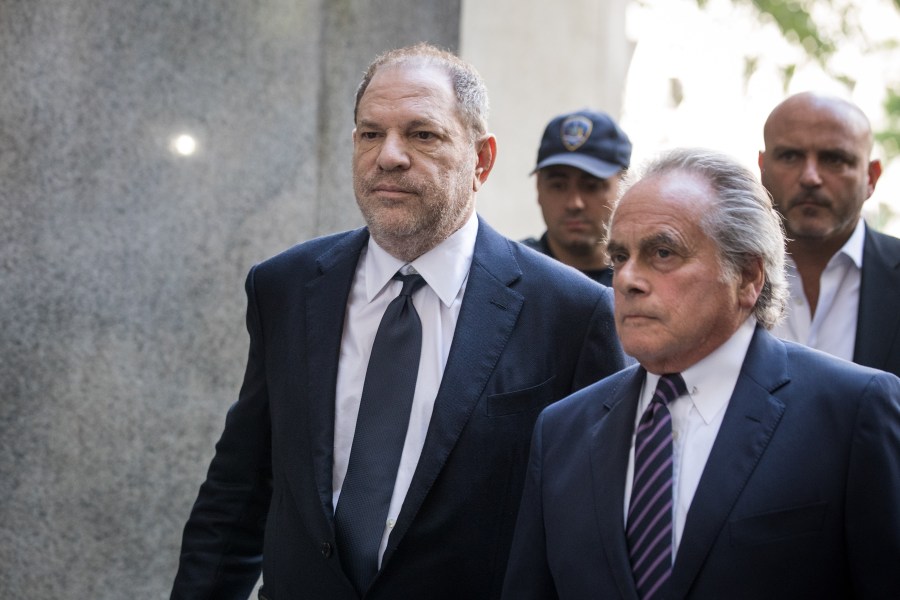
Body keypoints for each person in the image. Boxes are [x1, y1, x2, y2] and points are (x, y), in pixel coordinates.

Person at [170, 43, 626, 600]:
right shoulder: (285, 287)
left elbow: (590, 535)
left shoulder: (572, 314)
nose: (389, 156)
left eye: (422, 134)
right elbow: (239, 491)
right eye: (370, 134)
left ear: (481, 159)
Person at [502, 148, 900, 599]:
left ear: (748, 276)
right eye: (619, 257)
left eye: (663, 252)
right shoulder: (563, 430)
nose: (628, 279)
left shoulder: (852, 411)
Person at [760, 91, 900, 377]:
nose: (810, 177)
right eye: (790, 156)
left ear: (871, 178)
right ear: (762, 168)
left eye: (834, 159)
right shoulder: (721, 275)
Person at [521, 109, 632, 286]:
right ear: (538, 188)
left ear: (625, 188)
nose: (574, 203)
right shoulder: (509, 274)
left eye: (591, 186)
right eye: (558, 186)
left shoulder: (643, 281)